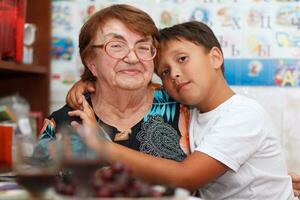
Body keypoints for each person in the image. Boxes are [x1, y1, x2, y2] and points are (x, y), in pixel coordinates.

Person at [70, 21, 295, 199]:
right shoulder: (187, 108)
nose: (174, 74)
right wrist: (91, 85)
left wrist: (104, 148)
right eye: (165, 72)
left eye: (183, 59)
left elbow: (186, 177)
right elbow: (137, 86)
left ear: (215, 57)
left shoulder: (244, 114)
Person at [35, 4, 190, 162]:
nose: (133, 58)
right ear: (91, 62)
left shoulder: (185, 109)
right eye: (116, 46)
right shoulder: (63, 123)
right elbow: (36, 183)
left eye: (143, 47)